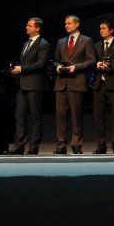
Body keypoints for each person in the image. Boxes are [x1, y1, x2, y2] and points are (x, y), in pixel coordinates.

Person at [6, 17, 51, 154]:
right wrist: (17, 70)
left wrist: (22, 69)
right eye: (27, 25)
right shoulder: (26, 43)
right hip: (22, 85)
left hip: (35, 85)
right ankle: (19, 145)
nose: (27, 27)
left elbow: (41, 64)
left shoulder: (43, 44)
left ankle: (34, 146)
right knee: (19, 116)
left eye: (29, 25)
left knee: (35, 117)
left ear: (37, 28)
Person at [53, 15, 96, 154]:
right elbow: (55, 60)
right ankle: (61, 145)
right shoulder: (61, 42)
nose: (66, 26)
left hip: (77, 81)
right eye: (65, 23)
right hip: (61, 83)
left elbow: (91, 60)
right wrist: (58, 66)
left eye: (69, 23)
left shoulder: (86, 40)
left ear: (77, 24)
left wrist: (76, 67)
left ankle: (76, 145)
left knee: (76, 115)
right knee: (60, 116)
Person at [92, 20, 114, 154]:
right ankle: (101, 146)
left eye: (104, 28)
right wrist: (96, 64)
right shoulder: (97, 45)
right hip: (99, 85)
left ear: (111, 30)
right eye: (100, 28)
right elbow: (92, 61)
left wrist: (110, 67)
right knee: (99, 118)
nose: (101, 30)